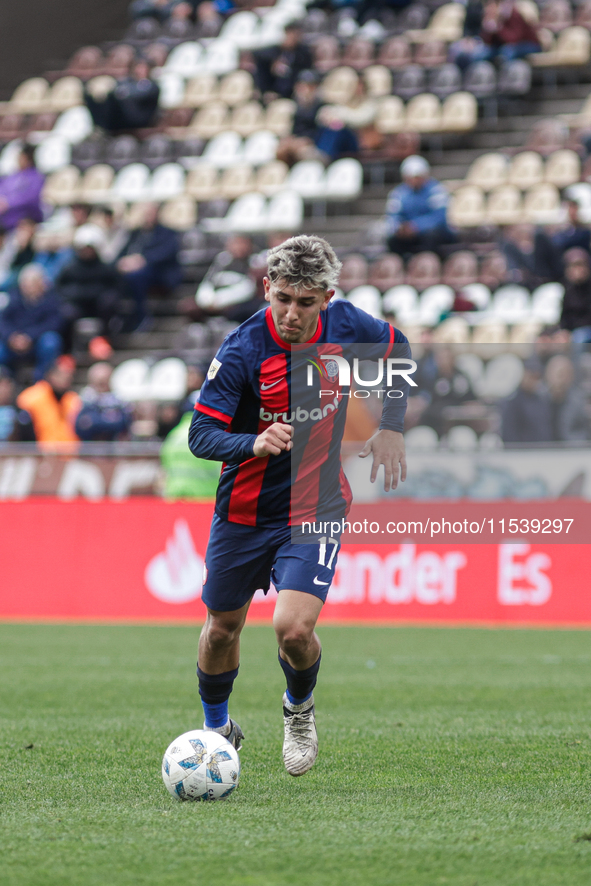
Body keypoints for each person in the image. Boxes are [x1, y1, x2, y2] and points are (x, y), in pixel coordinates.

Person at [188, 234, 410, 775]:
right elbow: (200, 435)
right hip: (243, 512)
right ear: (268, 288)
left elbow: (398, 346)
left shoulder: (349, 326)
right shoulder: (242, 350)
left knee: (293, 628)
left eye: (305, 302)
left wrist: (391, 426)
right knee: (221, 629)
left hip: (316, 505)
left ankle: (298, 709)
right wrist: (253, 443)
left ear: (327, 299)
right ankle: (217, 727)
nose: (291, 313)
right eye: (282, 298)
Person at [56, 224, 124, 350]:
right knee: (66, 313)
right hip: (78, 306)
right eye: (84, 248)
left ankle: (105, 341)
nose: (87, 252)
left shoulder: (105, 269)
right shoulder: (69, 269)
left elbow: (116, 288)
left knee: (109, 303)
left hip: (99, 307)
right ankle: (68, 350)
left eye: (90, 248)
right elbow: (60, 289)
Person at [116, 202, 181, 328]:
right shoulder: (136, 234)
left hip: (160, 274)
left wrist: (143, 260)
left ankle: (142, 316)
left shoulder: (167, 233)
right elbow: (122, 253)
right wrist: (122, 262)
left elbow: (166, 253)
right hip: (134, 272)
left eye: (151, 213)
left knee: (136, 276)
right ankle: (119, 318)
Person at [0, 264, 64, 381]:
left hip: (37, 341)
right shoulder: (13, 298)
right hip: (13, 342)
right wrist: (12, 337)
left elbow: (54, 323)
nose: (29, 287)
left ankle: (41, 380)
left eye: (34, 283)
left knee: (51, 342)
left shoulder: (51, 300)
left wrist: (29, 336)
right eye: (26, 284)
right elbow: (3, 321)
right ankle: (6, 381)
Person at [386, 155, 456, 256]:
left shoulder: (436, 190)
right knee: (393, 240)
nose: (414, 181)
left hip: (433, 233)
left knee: (431, 236)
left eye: (417, 177)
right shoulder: (399, 193)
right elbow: (392, 215)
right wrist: (399, 228)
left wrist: (416, 226)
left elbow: (439, 217)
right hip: (409, 233)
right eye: (410, 177)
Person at [16, 356, 81, 449]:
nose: (66, 378)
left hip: (69, 455)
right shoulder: (32, 396)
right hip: (39, 456)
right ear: (50, 375)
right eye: (61, 374)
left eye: (69, 374)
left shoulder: (73, 399)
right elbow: (23, 430)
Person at [85, 58, 160, 132]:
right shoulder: (126, 82)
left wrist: (121, 93)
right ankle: (99, 127)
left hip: (138, 119)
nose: (139, 70)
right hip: (119, 118)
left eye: (143, 68)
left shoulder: (151, 85)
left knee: (118, 98)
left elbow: (139, 95)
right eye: (137, 68)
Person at [253, 21, 313, 101]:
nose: (292, 38)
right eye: (289, 34)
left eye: (295, 35)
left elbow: (303, 73)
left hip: (293, 94)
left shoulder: (303, 54)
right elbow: (262, 71)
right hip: (271, 91)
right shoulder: (269, 54)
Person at [501, 355, 552, 444]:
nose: (534, 381)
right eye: (531, 376)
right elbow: (509, 434)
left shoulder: (542, 400)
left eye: (537, 378)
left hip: (543, 451)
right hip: (522, 452)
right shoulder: (513, 402)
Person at [75, 362, 132, 441]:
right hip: (90, 448)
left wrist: (95, 421)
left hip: (115, 448)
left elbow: (121, 424)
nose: (102, 386)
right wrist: (108, 420)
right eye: (99, 382)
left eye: (105, 382)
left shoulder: (121, 400)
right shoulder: (84, 400)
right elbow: (81, 426)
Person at [545, 354, 590, 442]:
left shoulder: (579, 402)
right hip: (539, 452)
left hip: (571, 451)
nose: (562, 379)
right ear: (548, 374)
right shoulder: (538, 401)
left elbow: (584, 432)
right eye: (559, 374)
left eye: (567, 374)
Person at [0, 145, 44, 231]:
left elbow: (31, 197)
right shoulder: (12, 176)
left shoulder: (35, 177)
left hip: (24, 218)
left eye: (22, 158)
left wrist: (8, 203)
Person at [560, 248, 591, 343]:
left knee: (578, 337)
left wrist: (571, 332)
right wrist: (564, 331)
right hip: (572, 330)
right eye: (573, 266)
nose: (577, 270)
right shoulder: (565, 288)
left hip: (585, 330)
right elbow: (564, 316)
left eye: (580, 266)